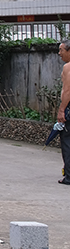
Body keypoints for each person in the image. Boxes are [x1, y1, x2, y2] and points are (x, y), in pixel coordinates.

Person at [57, 40, 70, 186]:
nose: (59, 53)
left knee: (67, 141)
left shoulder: (68, 67)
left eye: (62, 50)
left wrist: (62, 110)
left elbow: (67, 90)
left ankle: (69, 175)